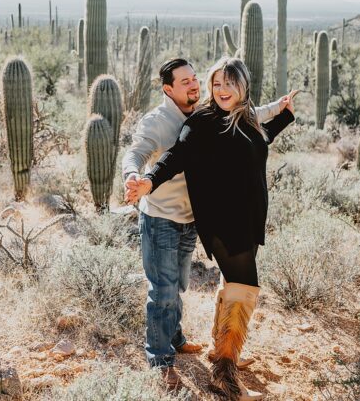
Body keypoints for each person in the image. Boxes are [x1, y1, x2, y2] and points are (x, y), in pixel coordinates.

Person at [127, 57, 297, 400]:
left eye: (228, 84)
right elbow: (176, 154)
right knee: (245, 287)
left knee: (233, 284)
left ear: (242, 87)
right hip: (223, 222)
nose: (220, 90)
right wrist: (148, 181)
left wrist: (285, 114)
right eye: (216, 83)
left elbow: (258, 141)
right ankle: (225, 376)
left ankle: (223, 352)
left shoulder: (243, 118)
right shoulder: (204, 120)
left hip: (247, 220)